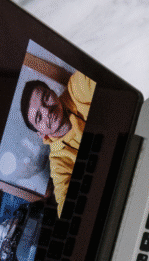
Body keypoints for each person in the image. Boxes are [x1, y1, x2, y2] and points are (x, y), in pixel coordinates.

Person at [19, 71, 96, 216]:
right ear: (40, 133)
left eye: (46, 98)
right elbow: (66, 209)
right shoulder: (58, 162)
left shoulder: (76, 87)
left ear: (54, 92)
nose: (47, 111)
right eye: (39, 117)